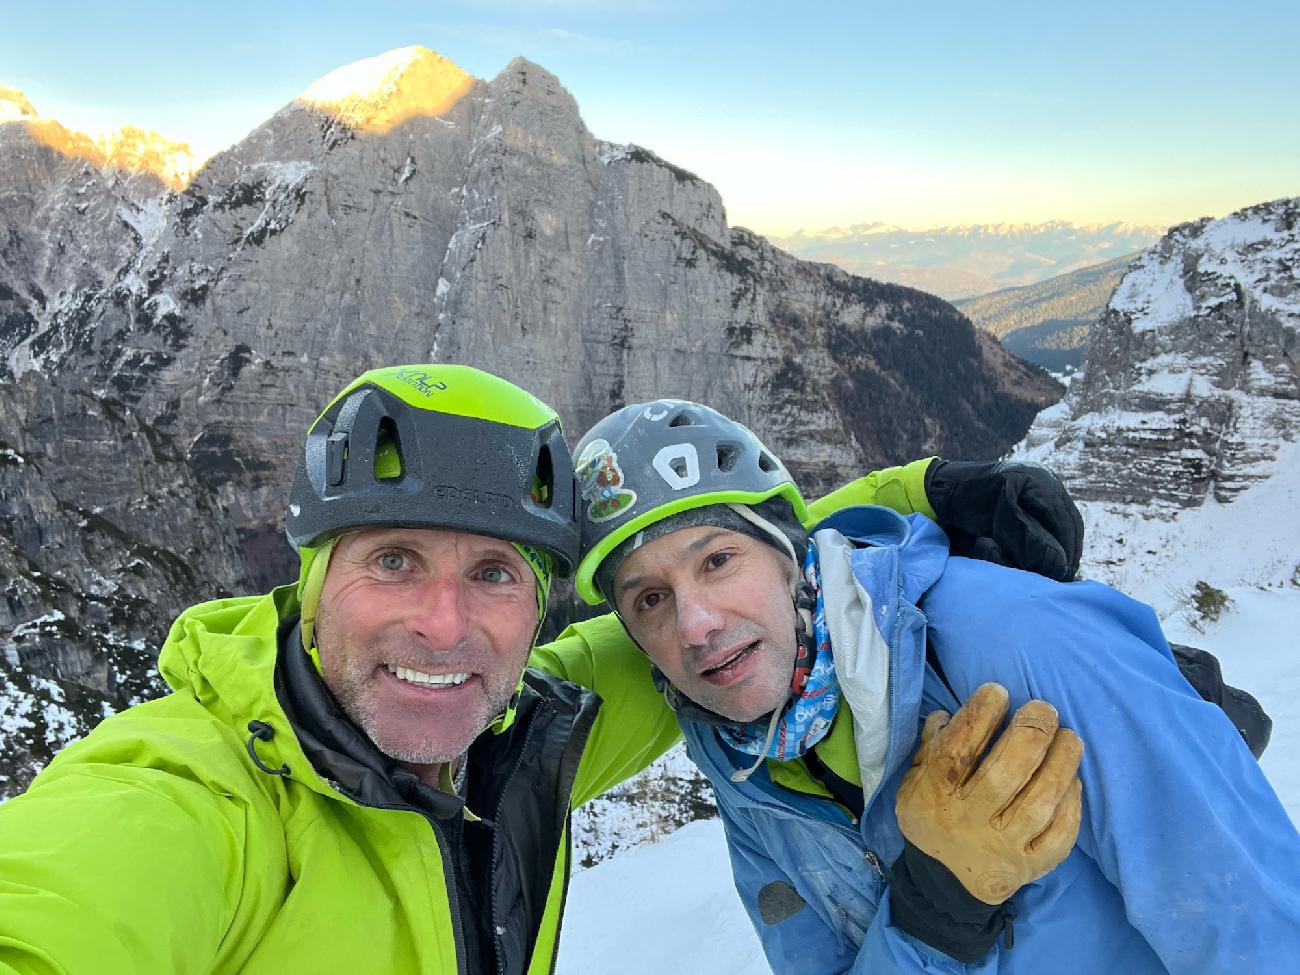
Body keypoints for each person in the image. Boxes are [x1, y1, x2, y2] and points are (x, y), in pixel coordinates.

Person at [0, 364, 1084, 975]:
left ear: (540, 613)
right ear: (308, 580)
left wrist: (920, 497)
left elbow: (727, 585)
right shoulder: (183, 792)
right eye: (391, 560)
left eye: (494, 574)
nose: (443, 626)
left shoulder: (528, 730)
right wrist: (939, 901)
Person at [569, 398, 1300, 973]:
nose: (694, 624)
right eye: (649, 601)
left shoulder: (1019, 640)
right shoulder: (746, 768)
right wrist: (932, 917)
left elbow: (1250, 919)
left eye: (718, 559)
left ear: (790, 552)